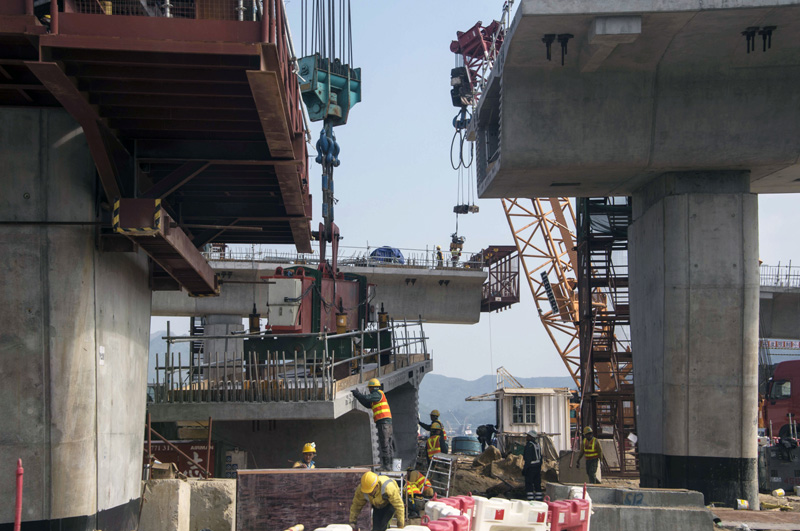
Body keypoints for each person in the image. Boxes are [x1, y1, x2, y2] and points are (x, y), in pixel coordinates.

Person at [351, 378, 395, 470]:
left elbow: (367, 398)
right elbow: (367, 404)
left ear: (372, 388)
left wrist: (358, 394)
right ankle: (390, 465)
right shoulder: (376, 397)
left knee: (385, 444)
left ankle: (387, 466)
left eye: (369, 388)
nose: (369, 390)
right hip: (386, 423)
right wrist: (358, 396)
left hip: (384, 423)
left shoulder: (377, 394)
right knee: (388, 445)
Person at [522, 430, 543, 501]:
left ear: (531, 437)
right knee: (537, 484)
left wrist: (525, 469)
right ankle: (539, 499)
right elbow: (541, 457)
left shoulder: (529, 446)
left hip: (530, 468)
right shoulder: (537, 445)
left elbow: (528, 459)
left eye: (528, 436)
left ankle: (530, 500)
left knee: (529, 483)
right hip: (537, 467)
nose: (526, 437)